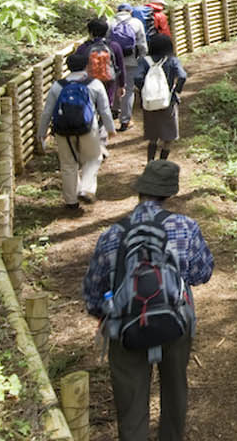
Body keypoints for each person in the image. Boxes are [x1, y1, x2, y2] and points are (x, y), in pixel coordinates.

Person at [83, 160, 214, 441]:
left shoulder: (112, 234)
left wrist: (105, 312)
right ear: (169, 194)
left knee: (130, 401)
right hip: (175, 322)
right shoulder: (186, 227)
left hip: (125, 326)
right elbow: (203, 273)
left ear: (140, 191)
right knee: (175, 389)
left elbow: (93, 292)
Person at [36, 51, 114, 209]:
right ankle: (86, 189)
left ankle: (71, 201)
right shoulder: (95, 84)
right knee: (93, 158)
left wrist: (42, 132)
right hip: (88, 129)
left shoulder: (58, 86)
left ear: (68, 67)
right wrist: (110, 128)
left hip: (62, 130)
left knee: (68, 164)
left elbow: (47, 111)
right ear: (87, 65)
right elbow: (104, 109)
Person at [132, 33, 188, 164]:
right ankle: (162, 162)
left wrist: (144, 90)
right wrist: (176, 90)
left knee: (153, 136)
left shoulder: (144, 61)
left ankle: (150, 162)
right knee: (168, 137)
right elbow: (182, 76)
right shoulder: (172, 60)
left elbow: (137, 77)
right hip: (168, 102)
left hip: (149, 103)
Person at [74, 17, 127, 122]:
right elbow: (120, 66)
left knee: (90, 106)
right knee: (105, 107)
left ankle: (91, 127)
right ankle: (102, 127)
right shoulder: (114, 46)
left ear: (90, 32)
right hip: (108, 82)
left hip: (88, 83)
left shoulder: (83, 48)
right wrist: (121, 85)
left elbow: (76, 67)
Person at [109, 3, 149, 131]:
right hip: (130, 60)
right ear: (130, 12)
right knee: (128, 90)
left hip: (113, 61)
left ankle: (114, 110)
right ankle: (125, 121)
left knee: (115, 85)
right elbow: (142, 43)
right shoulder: (136, 22)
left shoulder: (110, 22)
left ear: (117, 11)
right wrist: (143, 57)